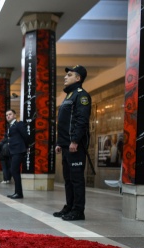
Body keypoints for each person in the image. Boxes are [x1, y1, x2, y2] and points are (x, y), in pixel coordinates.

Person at [54, 65, 92, 221]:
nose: (65, 77)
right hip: (65, 145)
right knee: (68, 178)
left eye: (69, 75)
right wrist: (59, 142)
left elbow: (81, 120)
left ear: (78, 78)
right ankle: (69, 206)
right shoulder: (68, 96)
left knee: (76, 179)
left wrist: (75, 140)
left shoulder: (81, 96)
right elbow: (63, 123)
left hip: (75, 145)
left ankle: (78, 210)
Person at [4, 109, 28, 199]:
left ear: (14, 115)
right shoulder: (10, 127)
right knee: (15, 171)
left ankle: (19, 193)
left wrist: (26, 147)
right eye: (6, 115)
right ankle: (17, 192)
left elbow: (25, 136)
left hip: (18, 150)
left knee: (14, 171)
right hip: (13, 151)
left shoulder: (19, 124)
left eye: (10, 114)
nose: (8, 116)